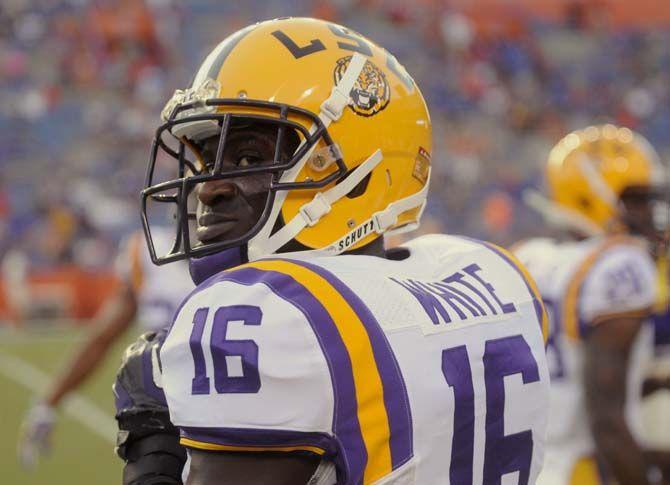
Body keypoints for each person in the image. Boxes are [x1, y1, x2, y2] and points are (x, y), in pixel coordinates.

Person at [115, 17, 550, 485]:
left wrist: (153, 444)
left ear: (357, 177)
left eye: (247, 158)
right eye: (207, 161)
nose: (209, 189)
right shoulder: (490, 277)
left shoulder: (270, 317)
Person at [514, 124, 670, 484]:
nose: (650, 212)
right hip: (581, 470)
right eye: (637, 200)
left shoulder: (526, 259)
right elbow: (607, 421)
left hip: (527, 469)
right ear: (592, 197)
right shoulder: (622, 265)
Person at [18, 227, 192, 469]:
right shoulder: (147, 249)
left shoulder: (246, 254)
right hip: (161, 416)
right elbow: (102, 338)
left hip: (220, 420)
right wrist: (48, 404)